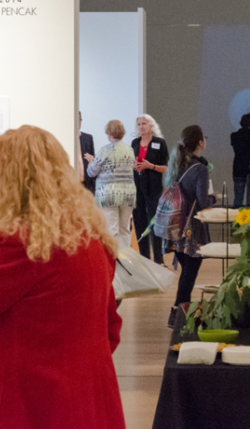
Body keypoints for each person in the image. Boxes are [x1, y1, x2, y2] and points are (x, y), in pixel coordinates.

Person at [0, 125, 126, 429]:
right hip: (83, 404)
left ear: (12, 180)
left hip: (30, 411)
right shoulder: (92, 239)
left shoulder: (23, 243)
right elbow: (109, 328)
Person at [164, 125, 215, 328]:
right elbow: (203, 202)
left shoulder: (176, 164)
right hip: (191, 228)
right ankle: (178, 312)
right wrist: (214, 198)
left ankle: (181, 310)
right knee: (190, 270)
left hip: (173, 226)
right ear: (200, 143)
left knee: (187, 269)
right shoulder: (200, 169)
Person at [88, 120, 137, 250]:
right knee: (125, 230)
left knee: (111, 230)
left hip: (109, 195)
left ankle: (114, 264)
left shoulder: (104, 150)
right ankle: (126, 261)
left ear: (109, 133)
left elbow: (92, 172)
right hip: (127, 195)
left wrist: (90, 163)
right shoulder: (130, 150)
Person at [131, 114, 168, 265]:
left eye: (144, 124)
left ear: (151, 125)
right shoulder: (134, 143)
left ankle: (158, 259)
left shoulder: (159, 143)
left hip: (154, 189)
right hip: (137, 188)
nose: (141, 127)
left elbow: (167, 168)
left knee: (154, 223)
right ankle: (144, 259)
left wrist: (150, 166)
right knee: (140, 223)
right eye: (139, 124)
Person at [230, 113, 250, 208]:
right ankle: (249, 222)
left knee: (238, 198)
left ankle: (236, 221)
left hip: (238, 169)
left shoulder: (234, 136)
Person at [79, 111, 96, 193]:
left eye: (80, 120)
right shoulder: (67, 138)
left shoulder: (88, 138)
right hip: (72, 182)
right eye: (76, 119)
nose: (78, 122)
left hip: (87, 184)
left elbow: (93, 162)